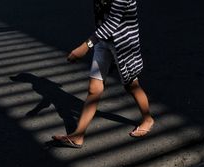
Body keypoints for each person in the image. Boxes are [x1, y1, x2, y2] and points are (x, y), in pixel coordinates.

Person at [52, 0, 154, 148]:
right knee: (94, 89)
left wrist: (85, 46)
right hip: (102, 41)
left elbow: (112, 22)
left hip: (122, 44)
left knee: (131, 85)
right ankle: (78, 136)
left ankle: (147, 119)